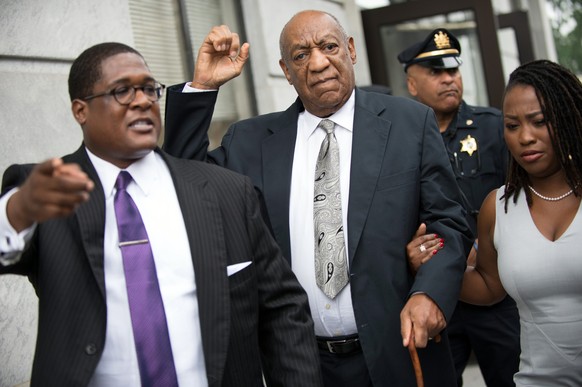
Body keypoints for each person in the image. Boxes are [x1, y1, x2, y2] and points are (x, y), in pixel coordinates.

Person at [163, 12, 473, 386]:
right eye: (300, 55)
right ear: (286, 70)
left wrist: (430, 293)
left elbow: (450, 222)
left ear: (351, 50)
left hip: (399, 354)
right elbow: (187, 181)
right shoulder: (250, 143)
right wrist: (203, 87)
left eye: (329, 47)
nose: (319, 63)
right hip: (301, 366)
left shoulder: (411, 124)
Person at [0, 40, 323, 386]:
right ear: (81, 110)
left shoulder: (226, 191)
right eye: (122, 91)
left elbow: (282, 309)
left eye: (149, 89)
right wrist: (19, 210)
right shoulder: (45, 192)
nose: (142, 100)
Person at [412, 59, 582, 385]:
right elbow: (489, 286)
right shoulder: (499, 206)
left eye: (539, 121)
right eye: (513, 126)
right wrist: (428, 266)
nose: (525, 137)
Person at [397, 28, 520, 386]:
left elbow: (520, 201)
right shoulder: (402, 142)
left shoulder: (495, 127)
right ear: (412, 84)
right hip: (436, 295)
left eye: (453, 69)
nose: (449, 78)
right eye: (436, 72)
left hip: (495, 293)